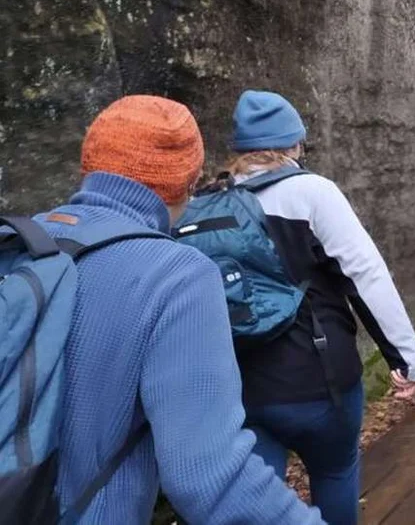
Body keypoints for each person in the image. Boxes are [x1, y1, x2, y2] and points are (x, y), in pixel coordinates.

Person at [38, 96, 325, 524]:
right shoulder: (176, 274)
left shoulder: (19, 244)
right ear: (187, 186)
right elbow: (209, 478)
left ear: (89, 165)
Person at [196, 90, 415, 525]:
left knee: (259, 501)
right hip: (319, 379)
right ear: (293, 145)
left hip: (243, 384)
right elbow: (365, 276)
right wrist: (405, 357)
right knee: (335, 473)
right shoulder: (311, 192)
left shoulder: (207, 202)